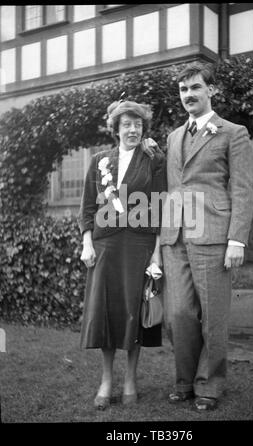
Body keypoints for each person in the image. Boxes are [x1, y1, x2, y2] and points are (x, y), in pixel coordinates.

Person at [159, 62, 253, 411]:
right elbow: (171, 188)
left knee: (213, 316)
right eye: (184, 90)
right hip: (175, 238)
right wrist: (160, 241)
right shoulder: (172, 138)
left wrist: (237, 240)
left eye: (196, 88)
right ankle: (184, 380)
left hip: (214, 235)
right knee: (178, 314)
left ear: (211, 91)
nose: (189, 95)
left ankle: (209, 385)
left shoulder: (233, 132)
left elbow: (244, 190)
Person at [77, 100, 166, 410]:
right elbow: (88, 207)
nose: (132, 129)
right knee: (107, 311)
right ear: (115, 129)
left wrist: (157, 254)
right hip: (105, 247)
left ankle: (130, 378)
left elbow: (158, 208)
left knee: (133, 312)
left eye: (137, 124)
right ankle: (106, 379)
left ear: (143, 129)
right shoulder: (100, 160)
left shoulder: (153, 159)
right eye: (126, 124)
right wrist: (87, 243)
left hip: (139, 246)